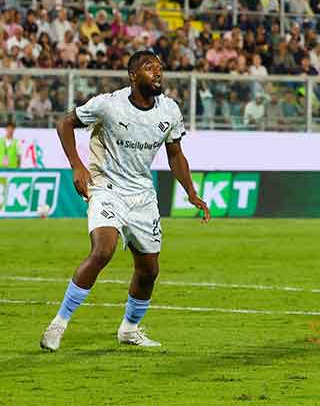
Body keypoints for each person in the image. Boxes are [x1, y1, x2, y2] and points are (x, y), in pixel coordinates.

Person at [39, 51, 210, 351]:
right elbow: (65, 123)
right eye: (149, 67)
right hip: (106, 187)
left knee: (149, 270)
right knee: (103, 250)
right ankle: (58, 325)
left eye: (160, 68)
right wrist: (77, 165)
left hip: (142, 194)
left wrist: (191, 192)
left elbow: (175, 155)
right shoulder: (108, 104)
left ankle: (129, 330)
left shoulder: (169, 111)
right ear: (133, 75)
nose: (157, 72)